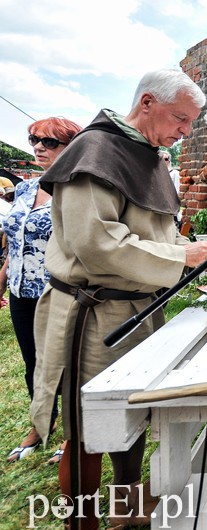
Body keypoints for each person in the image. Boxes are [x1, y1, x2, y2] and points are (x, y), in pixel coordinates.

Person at [30, 68, 207, 530]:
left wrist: (191, 251)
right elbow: (96, 244)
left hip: (137, 306)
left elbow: (151, 230)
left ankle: (127, 504)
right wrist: (180, 257)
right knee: (89, 424)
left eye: (190, 122)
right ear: (148, 102)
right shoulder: (95, 152)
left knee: (129, 409)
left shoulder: (146, 154)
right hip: (91, 313)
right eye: (180, 118)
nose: (185, 131)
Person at [2, 118, 83, 465]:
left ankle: (71, 435)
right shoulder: (24, 188)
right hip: (21, 290)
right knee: (32, 362)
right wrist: (4, 276)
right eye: (34, 140)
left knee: (63, 364)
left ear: (70, 148)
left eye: (49, 142)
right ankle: (40, 424)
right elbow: (15, 242)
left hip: (57, 290)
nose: (38, 147)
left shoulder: (77, 189)